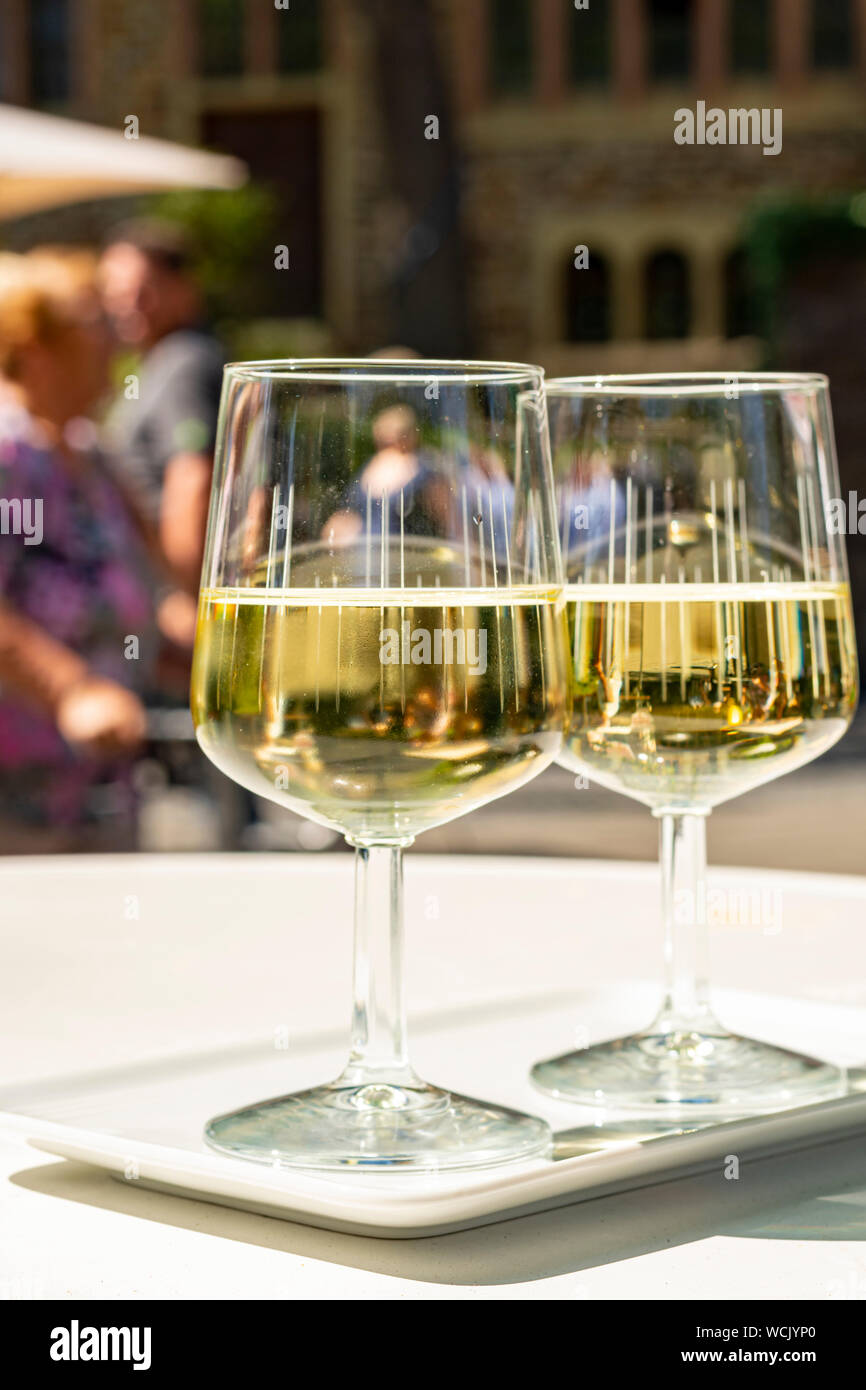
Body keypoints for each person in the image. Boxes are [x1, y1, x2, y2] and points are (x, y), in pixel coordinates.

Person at [0, 250, 157, 849]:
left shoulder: (91, 455)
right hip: (21, 801)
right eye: (96, 323)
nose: (117, 341)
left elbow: (144, 591)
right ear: (37, 347)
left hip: (102, 792)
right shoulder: (11, 457)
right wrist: (73, 690)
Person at [99, 220, 224, 600]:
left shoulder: (186, 360)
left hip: (171, 589)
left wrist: (185, 599)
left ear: (184, 289)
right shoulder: (158, 361)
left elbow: (192, 478)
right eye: (113, 294)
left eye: (140, 292)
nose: (125, 307)